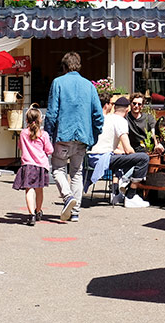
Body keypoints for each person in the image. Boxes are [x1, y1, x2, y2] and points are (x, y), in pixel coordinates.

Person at [45, 52, 104, 223]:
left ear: (64, 66)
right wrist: (94, 134)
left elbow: (52, 113)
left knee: (58, 169)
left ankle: (68, 196)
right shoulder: (89, 86)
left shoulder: (58, 83)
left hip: (63, 135)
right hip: (83, 137)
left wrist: (48, 134)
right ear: (78, 66)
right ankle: (75, 212)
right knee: (77, 172)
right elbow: (98, 115)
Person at [88, 97, 150, 208]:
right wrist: (135, 154)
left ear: (114, 108)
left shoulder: (106, 118)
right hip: (103, 159)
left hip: (92, 157)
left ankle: (116, 193)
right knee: (143, 158)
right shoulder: (121, 121)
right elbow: (128, 149)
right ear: (127, 110)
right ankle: (130, 196)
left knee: (121, 157)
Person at [13, 105, 54, 226]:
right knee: (39, 190)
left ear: (26, 120)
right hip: (41, 165)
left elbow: (20, 146)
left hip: (27, 164)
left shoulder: (23, 133)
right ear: (40, 120)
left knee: (29, 189)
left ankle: (31, 214)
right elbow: (50, 150)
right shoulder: (43, 134)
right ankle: (38, 211)